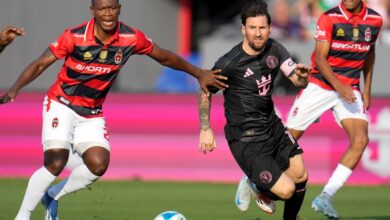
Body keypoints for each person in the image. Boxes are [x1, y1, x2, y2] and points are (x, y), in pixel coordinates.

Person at [1, 0, 228, 219]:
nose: (107, 13)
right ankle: (23, 216)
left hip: (92, 112)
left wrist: (199, 73)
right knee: (55, 162)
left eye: (112, 8)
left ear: (119, 9)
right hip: (61, 103)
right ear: (93, 11)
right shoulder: (74, 36)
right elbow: (41, 63)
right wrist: (15, 89)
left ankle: (52, 196)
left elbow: (165, 57)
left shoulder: (130, 37)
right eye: (102, 9)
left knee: (98, 165)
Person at [198, 1, 310, 219]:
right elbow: (205, 90)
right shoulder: (230, 63)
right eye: (252, 28)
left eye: (262, 28)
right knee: (286, 191)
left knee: (301, 176)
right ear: (243, 29)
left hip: (272, 127)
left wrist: (303, 79)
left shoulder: (275, 49)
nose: (258, 34)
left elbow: (297, 79)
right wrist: (205, 128)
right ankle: (256, 185)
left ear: (269, 28)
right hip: (246, 140)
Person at [286, 0, 383, 219]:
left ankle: (325, 197)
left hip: (350, 88)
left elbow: (370, 53)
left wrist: (367, 89)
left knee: (360, 140)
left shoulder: (376, 20)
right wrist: (339, 86)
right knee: (286, 141)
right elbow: (320, 59)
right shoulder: (328, 17)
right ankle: (254, 179)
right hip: (320, 85)